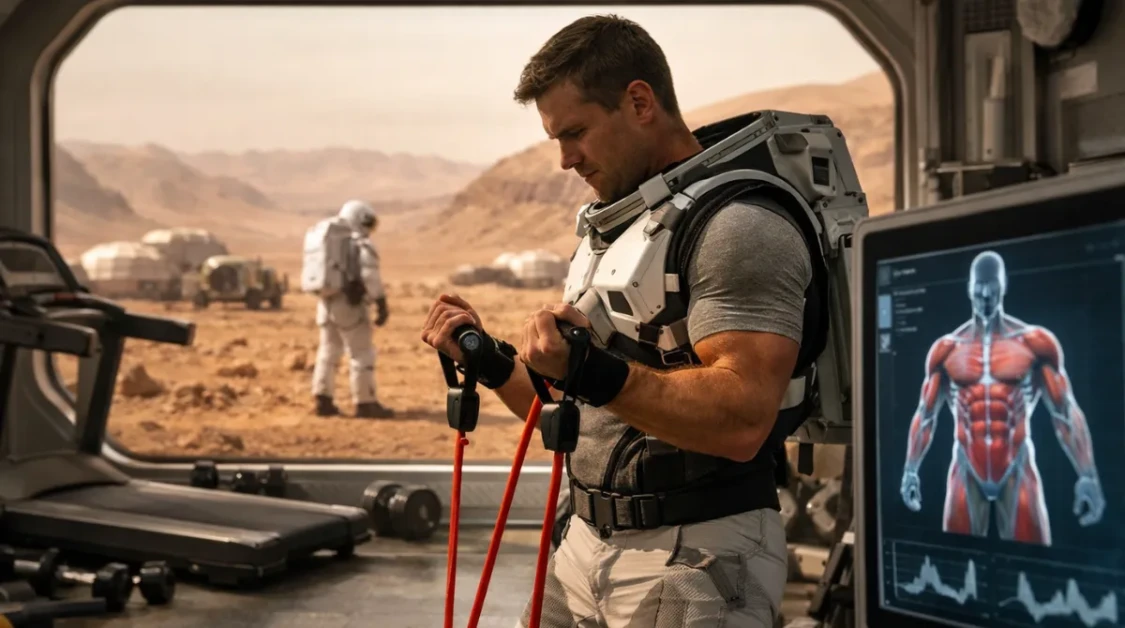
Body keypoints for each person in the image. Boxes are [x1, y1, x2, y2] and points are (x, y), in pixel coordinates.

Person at [421, 15, 809, 626]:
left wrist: (596, 373)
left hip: (696, 554)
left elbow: (742, 417)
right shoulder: (621, 229)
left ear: (638, 101)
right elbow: (576, 411)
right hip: (583, 544)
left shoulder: (739, 227)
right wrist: (494, 364)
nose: (564, 160)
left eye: (574, 133)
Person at [900, 250, 1104, 545]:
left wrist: (1087, 475)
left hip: (1016, 463)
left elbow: (1065, 411)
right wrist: (910, 470)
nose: (984, 294)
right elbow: (925, 415)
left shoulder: (1034, 342)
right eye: (978, 285)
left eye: (991, 285)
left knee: (1032, 570)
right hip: (965, 465)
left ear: (1004, 285)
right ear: (969, 287)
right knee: (958, 567)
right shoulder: (946, 349)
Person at [312, 199, 395, 419]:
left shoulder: (333, 243)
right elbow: (370, 276)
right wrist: (380, 302)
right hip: (349, 306)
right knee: (361, 353)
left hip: (326, 304)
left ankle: (323, 399)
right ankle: (365, 402)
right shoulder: (360, 245)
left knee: (328, 352)